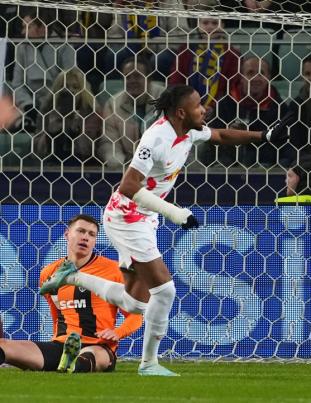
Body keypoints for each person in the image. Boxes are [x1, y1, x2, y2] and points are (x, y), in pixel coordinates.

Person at [40, 84, 293, 376]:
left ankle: (70, 275)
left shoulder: (189, 131)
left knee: (134, 303)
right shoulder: (156, 138)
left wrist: (264, 136)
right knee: (165, 291)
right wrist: (175, 212)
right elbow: (128, 186)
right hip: (126, 217)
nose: (204, 109)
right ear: (181, 112)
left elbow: (222, 135)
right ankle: (149, 364)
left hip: (144, 218)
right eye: (199, 105)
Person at [0, 214, 142, 373]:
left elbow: (136, 315)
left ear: (95, 241)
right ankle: (65, 361)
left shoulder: (113, 270)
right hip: (59, 346)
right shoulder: (49, 273)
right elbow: (56, 314)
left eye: (91, 234)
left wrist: (117, 333)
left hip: (98, 346)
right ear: (67, 234)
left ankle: (73, 364)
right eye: (81, 231)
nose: (86, 237)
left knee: (89, 356)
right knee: (4, 345)